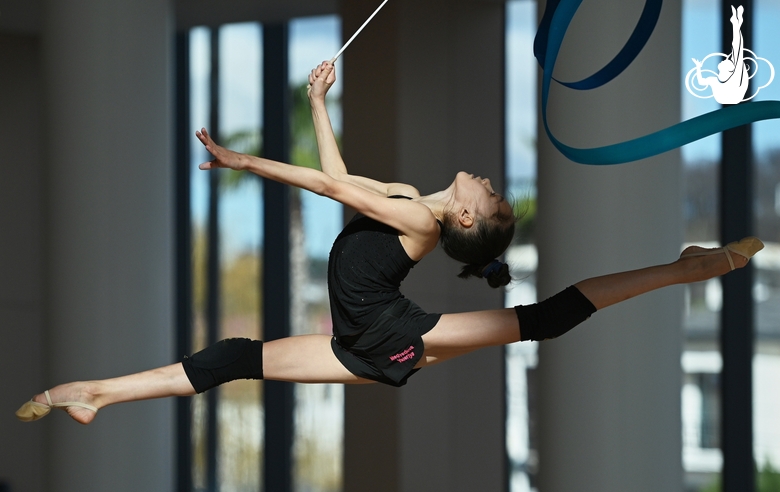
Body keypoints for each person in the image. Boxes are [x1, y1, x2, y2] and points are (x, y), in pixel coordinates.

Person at [16, 62, 764, 424]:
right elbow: (337, 177)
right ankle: (96, 394)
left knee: (546, 317)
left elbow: (334, 188)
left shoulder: (423, 223)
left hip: (388, 335)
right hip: (357, 342)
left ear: (467, 220)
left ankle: (687, 267)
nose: (486, 182)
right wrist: (284, 128)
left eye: (491, 196)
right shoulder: (410, 200)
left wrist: (279, 130)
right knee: (236, 358)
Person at [692, 5, 749, 104]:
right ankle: (736, 23)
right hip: (727, 99)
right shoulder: (715, 81)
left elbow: (737, 48)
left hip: (733, 96)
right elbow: (701, 82)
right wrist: (698, 67)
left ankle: (736, 23)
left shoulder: (734, 79)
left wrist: (736, 26)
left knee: (737, 51)